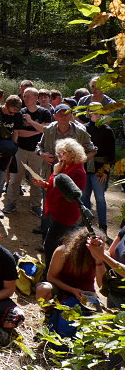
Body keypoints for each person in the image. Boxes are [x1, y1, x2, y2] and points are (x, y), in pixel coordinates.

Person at [32, 138, 88, 267]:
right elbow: (53, 186)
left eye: (62, 153)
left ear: (73, 153)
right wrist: (45, 184)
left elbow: (62, 193)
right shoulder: (64, 166)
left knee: (51, 246)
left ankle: (50, 274)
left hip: (65, 214)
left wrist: (56, 173)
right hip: (55, 211)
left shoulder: (77, 172)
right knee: (54, 244)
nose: (59, 157)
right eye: (58, 154)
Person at [3, 87, 51, 216]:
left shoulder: (45, 113)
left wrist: (30, 121)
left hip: (38, 151)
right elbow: (19, 133)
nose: (25, 98)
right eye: (24, 96)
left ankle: (35, 205)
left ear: (36, 98)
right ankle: (11, 204)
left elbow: (47, 130)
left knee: (36, 179)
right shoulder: (20, 113)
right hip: (21, 150)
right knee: (15, 179)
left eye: (28, 96)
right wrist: (38, 129)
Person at [36, 227, 104, 309]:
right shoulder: (62, 251)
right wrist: (72, 290)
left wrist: (99, 260)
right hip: (61, 289)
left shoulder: (101, 255)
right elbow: (51, 277)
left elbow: (101, 285)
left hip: (85, 295)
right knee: (42, 289)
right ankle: (50, 313)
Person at [83, 103, 116, 235]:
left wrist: (106, 171)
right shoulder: (83, 129)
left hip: (99, 170)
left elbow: (111, 155)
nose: (98, 115)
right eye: (96, 113)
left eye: (101, 113)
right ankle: (86, 225)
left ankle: (103, 226)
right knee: (84, 197)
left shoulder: (107, 130)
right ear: (89, 113)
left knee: (100, 198)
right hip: (85, 168)